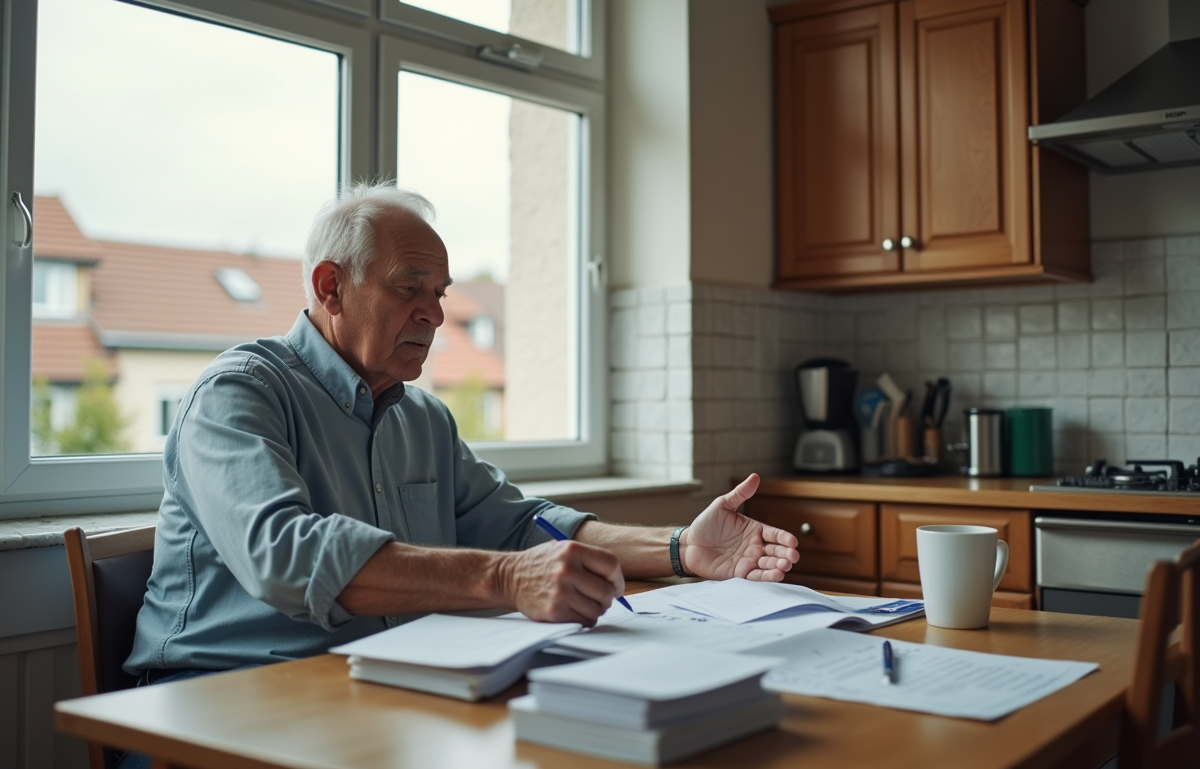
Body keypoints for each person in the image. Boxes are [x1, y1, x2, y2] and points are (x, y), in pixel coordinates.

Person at [124, 183, 800, 681]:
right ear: (331, 287)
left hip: (376, 687)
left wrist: (681, 549)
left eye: (440, 293)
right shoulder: (238, 393)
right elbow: (289, 555)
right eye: (409, 288)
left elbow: (520, 526)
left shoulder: (422, 418)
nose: (434, 315)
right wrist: (508, 580)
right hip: (213, 708)